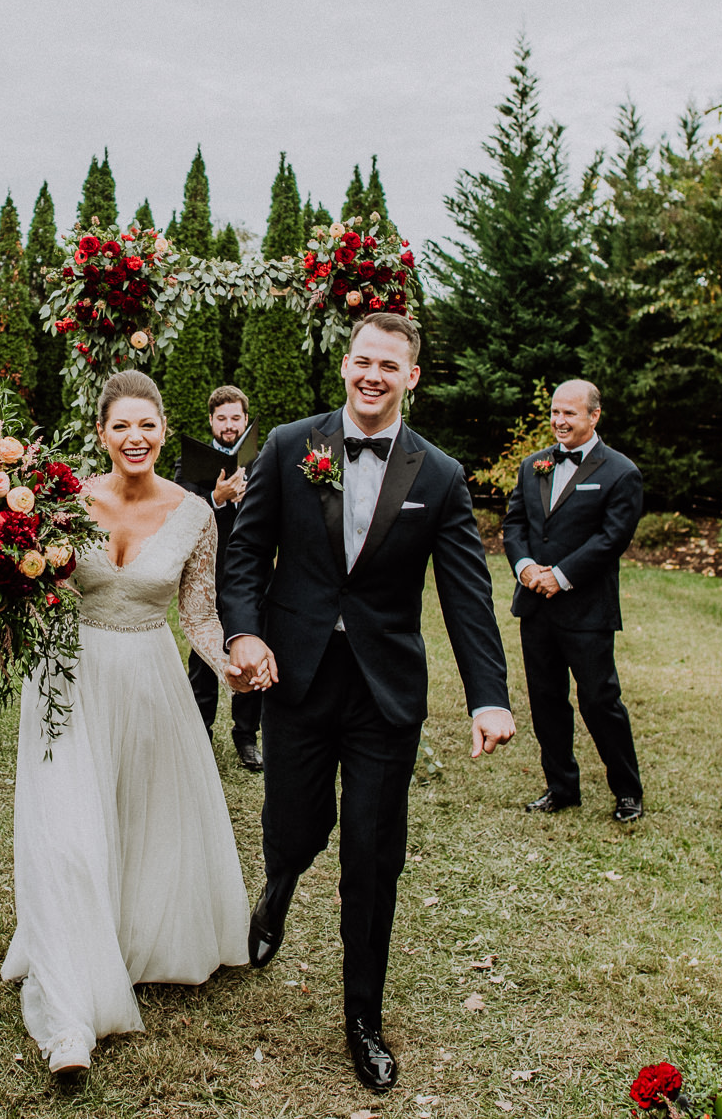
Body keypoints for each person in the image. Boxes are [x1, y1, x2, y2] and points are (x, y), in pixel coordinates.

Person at [220, 312, 515, 1094]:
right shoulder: (289, 445)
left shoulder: (439, 474)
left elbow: (467, 597)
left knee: (372, 858)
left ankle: (362, 1018)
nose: (372, 375)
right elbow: (245, 552)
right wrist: (244, 635)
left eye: (390, 364)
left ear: (411, 376)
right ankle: (278, 887)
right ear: (345, 365)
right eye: (362, 361)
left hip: (386, 692)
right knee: (293, 826)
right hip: (297, 675)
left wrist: (489, 697)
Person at [1, 371, 249, 1075]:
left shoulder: (196, 513)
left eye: (147, 426)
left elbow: (198, 614)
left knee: (138, 821)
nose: (135, 438)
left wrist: (227, 660)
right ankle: (71, 1021)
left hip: (148, 678)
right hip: (64, 681)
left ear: (165, 430)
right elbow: (30, 588)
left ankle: (126, 937)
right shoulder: (59, 503)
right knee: (68, 835)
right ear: (103, 433)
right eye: (121, 427)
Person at [502, 379, 646, 822]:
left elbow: (611, 539)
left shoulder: (621, 471)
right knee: (546, 699)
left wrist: (560, 577)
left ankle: (627, 792)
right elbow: (515, 523)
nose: (560, 421)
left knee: (600, 701)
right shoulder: (533, 465)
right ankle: (561, 787)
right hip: (536, 605)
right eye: (555, 412)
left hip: (586, 610)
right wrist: (526, 567)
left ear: (594, 416)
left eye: (570, 413)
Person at [171, 384, 263, 770]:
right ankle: (200, 734)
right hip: (207, 575)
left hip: (250, 576)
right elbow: (178, 511)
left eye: (235, 418)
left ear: (245, 420)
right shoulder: (190, 464)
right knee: (205, 658)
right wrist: (218, 498)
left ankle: (246, 737)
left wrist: (250, 498)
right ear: (211, 421)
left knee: (250, 652)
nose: (229, 425)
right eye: (222, 418)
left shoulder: (260, 461)